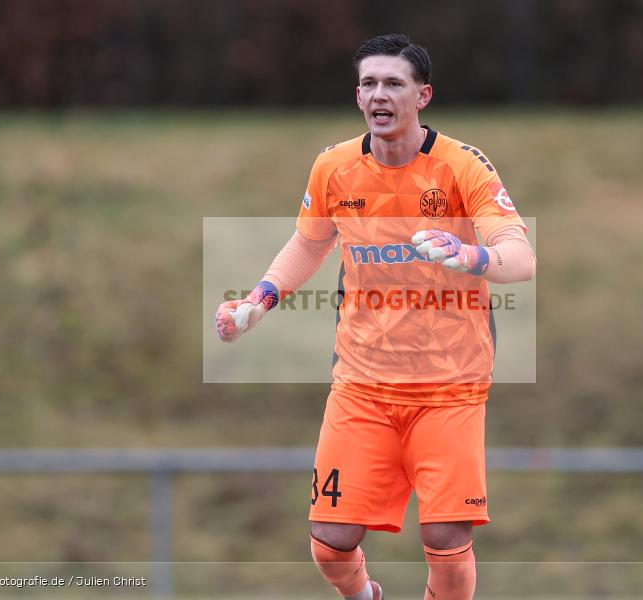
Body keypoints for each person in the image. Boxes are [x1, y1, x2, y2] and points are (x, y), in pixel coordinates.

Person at [216, 34, 536, 600]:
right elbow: (308, 244)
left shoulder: (462, 167)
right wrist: (256, 302)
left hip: (449, 386)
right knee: (329, 540)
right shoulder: (334, 167)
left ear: (423, 96)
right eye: (369, 83)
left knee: (446, 535)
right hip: (362, 385)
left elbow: (521, 258)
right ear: (358, 96)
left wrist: (470, 256)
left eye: (394, 83)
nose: (379, 94)